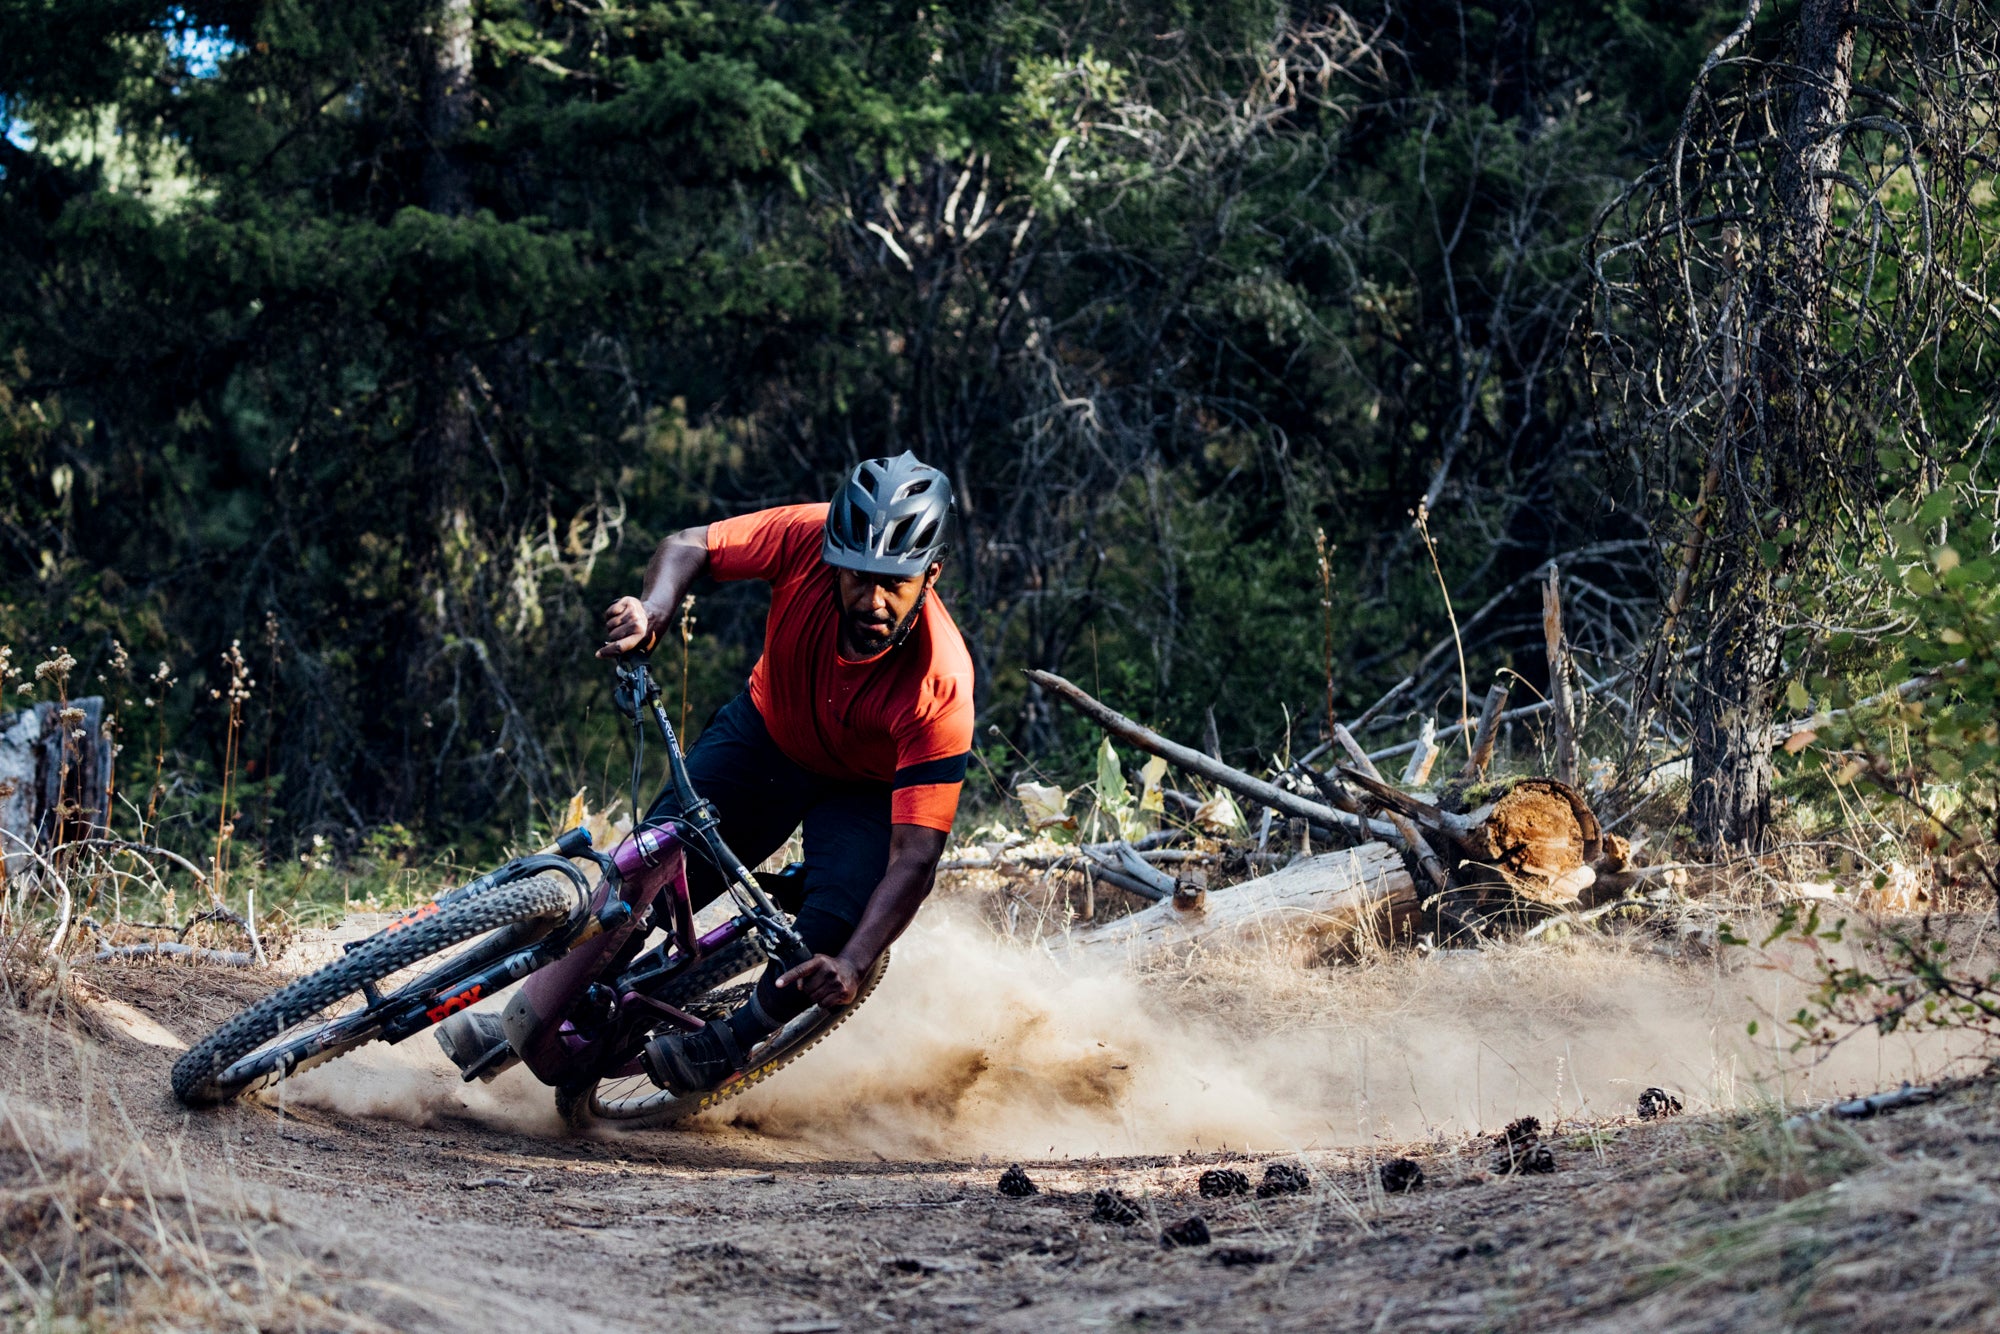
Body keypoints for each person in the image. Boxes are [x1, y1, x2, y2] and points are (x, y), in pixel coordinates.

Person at [596, 452, 972, 1093]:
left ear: (930, 574)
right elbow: (688, 545)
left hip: (864, 791)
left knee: (828, 931)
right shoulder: (805, 536)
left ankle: (731, 1041)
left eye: (894, 582)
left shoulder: (941, 686)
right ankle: (542, 1011)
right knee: (643, 880)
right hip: (768, 736)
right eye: (855, 576)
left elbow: (914, 857)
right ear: (833, 556)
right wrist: (654, 610)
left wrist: (852, 962)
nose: (871, 599)